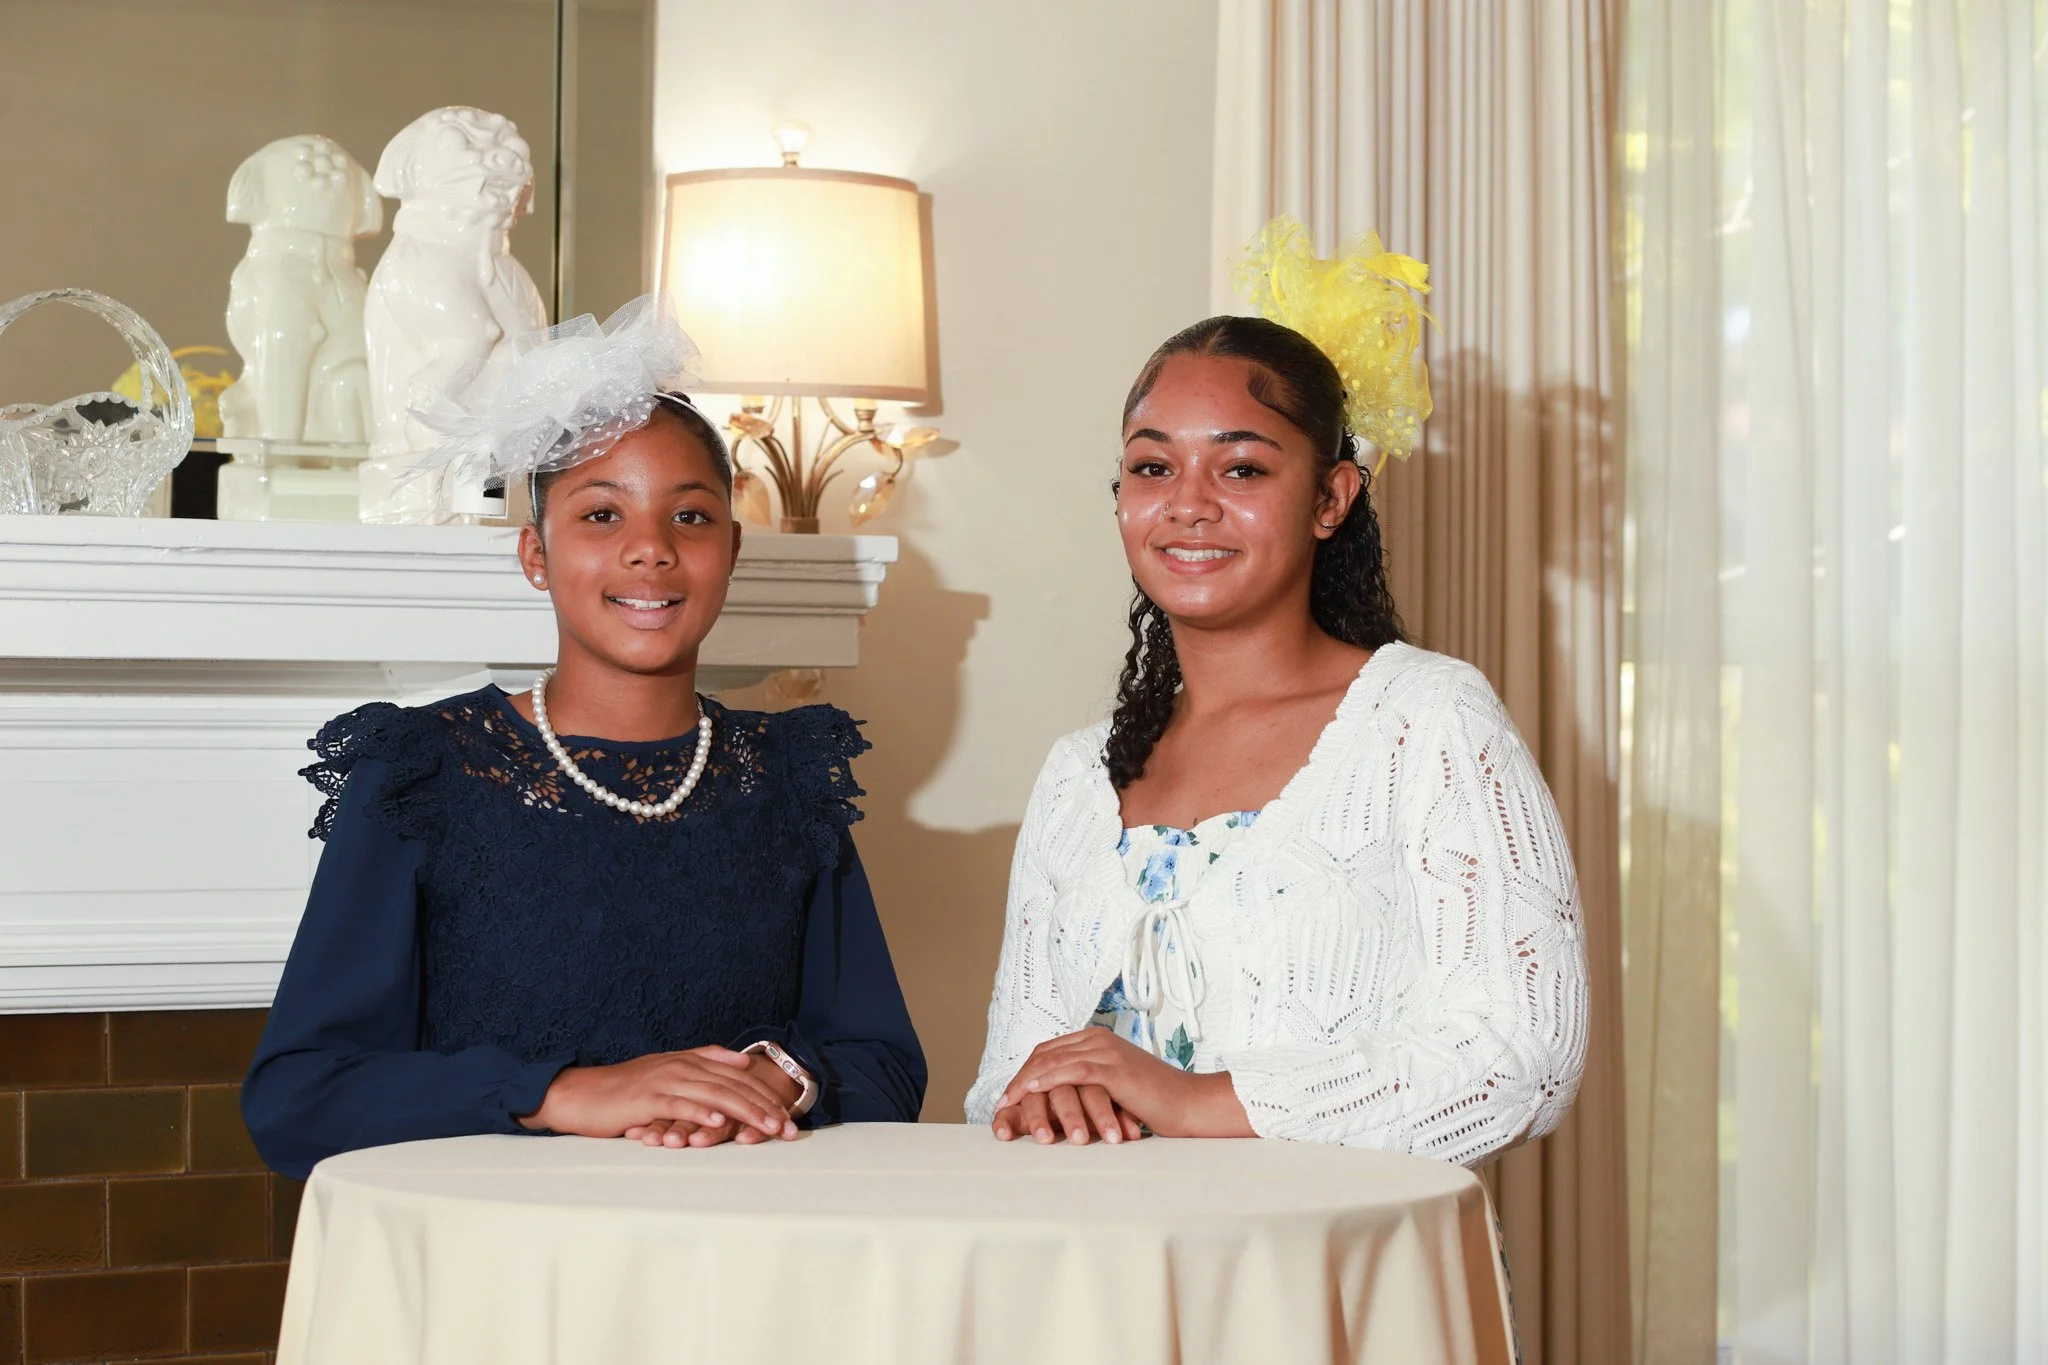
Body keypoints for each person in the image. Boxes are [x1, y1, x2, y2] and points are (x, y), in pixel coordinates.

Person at [245, 299, 926, 1180]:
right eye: (603, 515)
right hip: (510, 1242)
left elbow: (883, 1062)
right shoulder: (423, 772)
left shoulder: (788, 778)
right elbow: (299, 1095)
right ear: (535, 553)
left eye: (690, 517)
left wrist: (775, 1080)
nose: (651, 549)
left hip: (737, 1241)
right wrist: (563, 1092)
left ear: (732, 547)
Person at [965, 221, 1587, 1166]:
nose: (1188, 502)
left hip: (1319, 1252)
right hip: (1099, 1246)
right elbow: (1005, 1082)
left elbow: (1521, 1057)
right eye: (1152, 465)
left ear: (1332, 498)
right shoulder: (1075, 777)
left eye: (1243, 467)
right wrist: (1039, 1101)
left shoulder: (1427, 721)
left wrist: (1193, 1099)